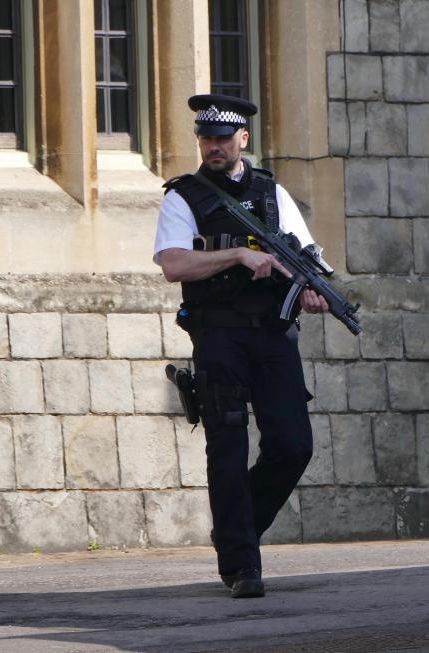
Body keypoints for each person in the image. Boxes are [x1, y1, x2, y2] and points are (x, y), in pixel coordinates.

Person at [153, 94, 329, 599]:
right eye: (205, 138)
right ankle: (242, 565)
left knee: (294, 445)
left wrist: (312, 289)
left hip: (273, 335)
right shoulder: (184, 197)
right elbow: (173, 265)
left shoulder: (272, 194)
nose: (213, 146)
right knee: (227, 449)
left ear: (243, 140)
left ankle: (237, 529)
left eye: (222, 138)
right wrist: (236, 256)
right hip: (219, 335)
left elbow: (305, 256)